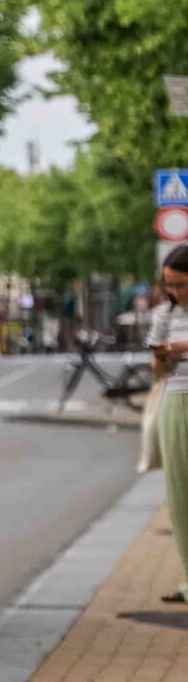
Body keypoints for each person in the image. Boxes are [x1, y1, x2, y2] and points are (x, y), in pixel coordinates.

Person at [150, 249, 188, 601]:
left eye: (181, 284)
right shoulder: (164, 314)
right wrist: (161, 356)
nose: (174, 291)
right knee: (180, 494)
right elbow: (159, 369)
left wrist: (179, 346)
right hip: (176, 399)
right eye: (169, 285)